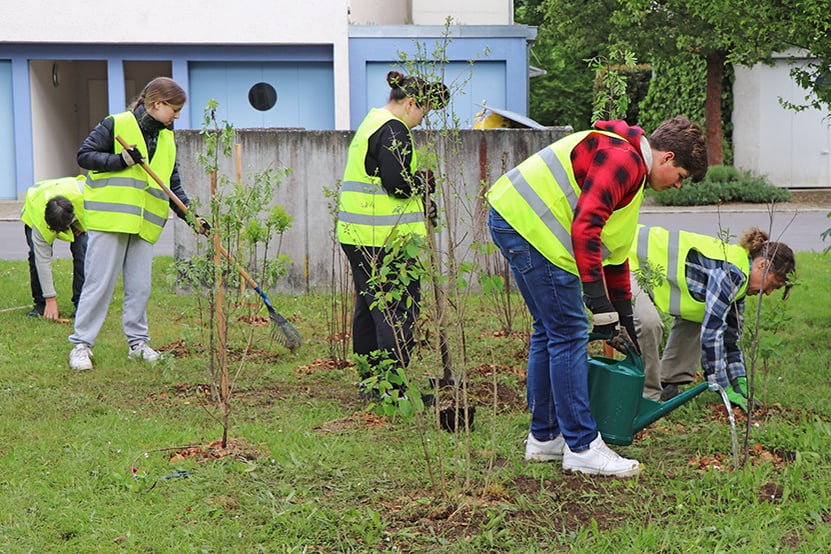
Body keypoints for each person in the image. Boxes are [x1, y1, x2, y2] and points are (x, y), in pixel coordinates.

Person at [486, 116, 707, 477]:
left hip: (513, 217)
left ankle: (546, 438)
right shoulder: (625, 161)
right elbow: (586, 227)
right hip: (529, 227)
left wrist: (623, 321)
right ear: (667, 158)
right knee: (569, 332)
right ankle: (582, 446)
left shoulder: (631, 169)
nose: (678, 185)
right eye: (681, 176)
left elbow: (614, 254)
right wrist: (597, 303)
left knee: (550, 329)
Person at [68, 76, 207, 371]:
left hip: (145, 224)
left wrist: (191, 216)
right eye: (175, 109)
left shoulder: (168, 137)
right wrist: (120, 160)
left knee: (139, 287)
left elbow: (172, 183)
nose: (178, 116)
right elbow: (85, 156)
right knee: (98, 284)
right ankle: (81, 345)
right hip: (113, 218)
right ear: (157, 104)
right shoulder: (116, 124)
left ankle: (138, 344)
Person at [336, 70, 447, 398]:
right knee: (397, 309)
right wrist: (422, 183)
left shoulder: (373, 121)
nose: (421, 120)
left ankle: (372, 382)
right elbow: (396, 183)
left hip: (359, 236)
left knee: (371, 307)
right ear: (411, 103)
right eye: (423, 112)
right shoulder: (394, 129)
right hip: (384, 239)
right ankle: (393, 390)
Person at [630, 225, 795, 411]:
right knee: (648, 323)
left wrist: (739, 380)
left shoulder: (740, 282)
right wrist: (721, 385)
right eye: (773, 284)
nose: (768, 293)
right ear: (762, 265)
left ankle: (668, 383)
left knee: (697, 316)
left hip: (648, 268)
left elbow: (731, 337)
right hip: (628, 256)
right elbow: (712, 334)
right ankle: (648, 399)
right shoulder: (731, 273)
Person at [21, 175, 88, 320]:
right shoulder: (39, 221)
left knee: (83, 250)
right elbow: (42, 261)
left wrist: (86, 227)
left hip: (75, 204)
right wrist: (50, 299)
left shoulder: (86, 194)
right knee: (35, 256)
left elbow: (101, 215)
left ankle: (82, 304)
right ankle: (41, 304)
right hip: (34, 207)